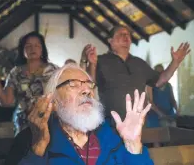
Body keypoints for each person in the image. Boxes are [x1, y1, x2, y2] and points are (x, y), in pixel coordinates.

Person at [19, 64, 154, 165]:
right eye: (73, 84)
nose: (86, 91)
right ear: (53, 101)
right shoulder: (32, 139)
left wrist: (133, 144)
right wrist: (39, 146)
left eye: (90, 86)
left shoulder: (113, 136)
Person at [81, 25, 190, 124]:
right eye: (121, 34)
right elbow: (90, 84)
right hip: (112, 125)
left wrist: (175, 62)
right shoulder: (101, 61)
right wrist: (92, 64)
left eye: (127, 35)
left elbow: (160, 81)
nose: (125, 37)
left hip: (139, 125)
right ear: (111, 41)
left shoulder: (139, 63)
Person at [0, 31, 58, 164]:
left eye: (37, 45)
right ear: (23, 51)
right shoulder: (15, 72)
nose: (32, 49)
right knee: (26, 158)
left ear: (42, 49)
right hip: (24, 124)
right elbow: (6, 102)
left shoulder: (54, 71)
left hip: (50, 124)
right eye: (28, 46)